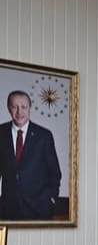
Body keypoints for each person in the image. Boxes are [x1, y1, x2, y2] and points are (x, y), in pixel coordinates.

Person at [0, 90, 62, 220]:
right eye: (15, 107)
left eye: (24, 107)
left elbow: (54, 173)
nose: (19, 112)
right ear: (8, 109)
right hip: (8, 210)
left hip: (39, 209)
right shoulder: (1, 133)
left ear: (29, 108)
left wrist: (50, 199)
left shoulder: (44, 136)